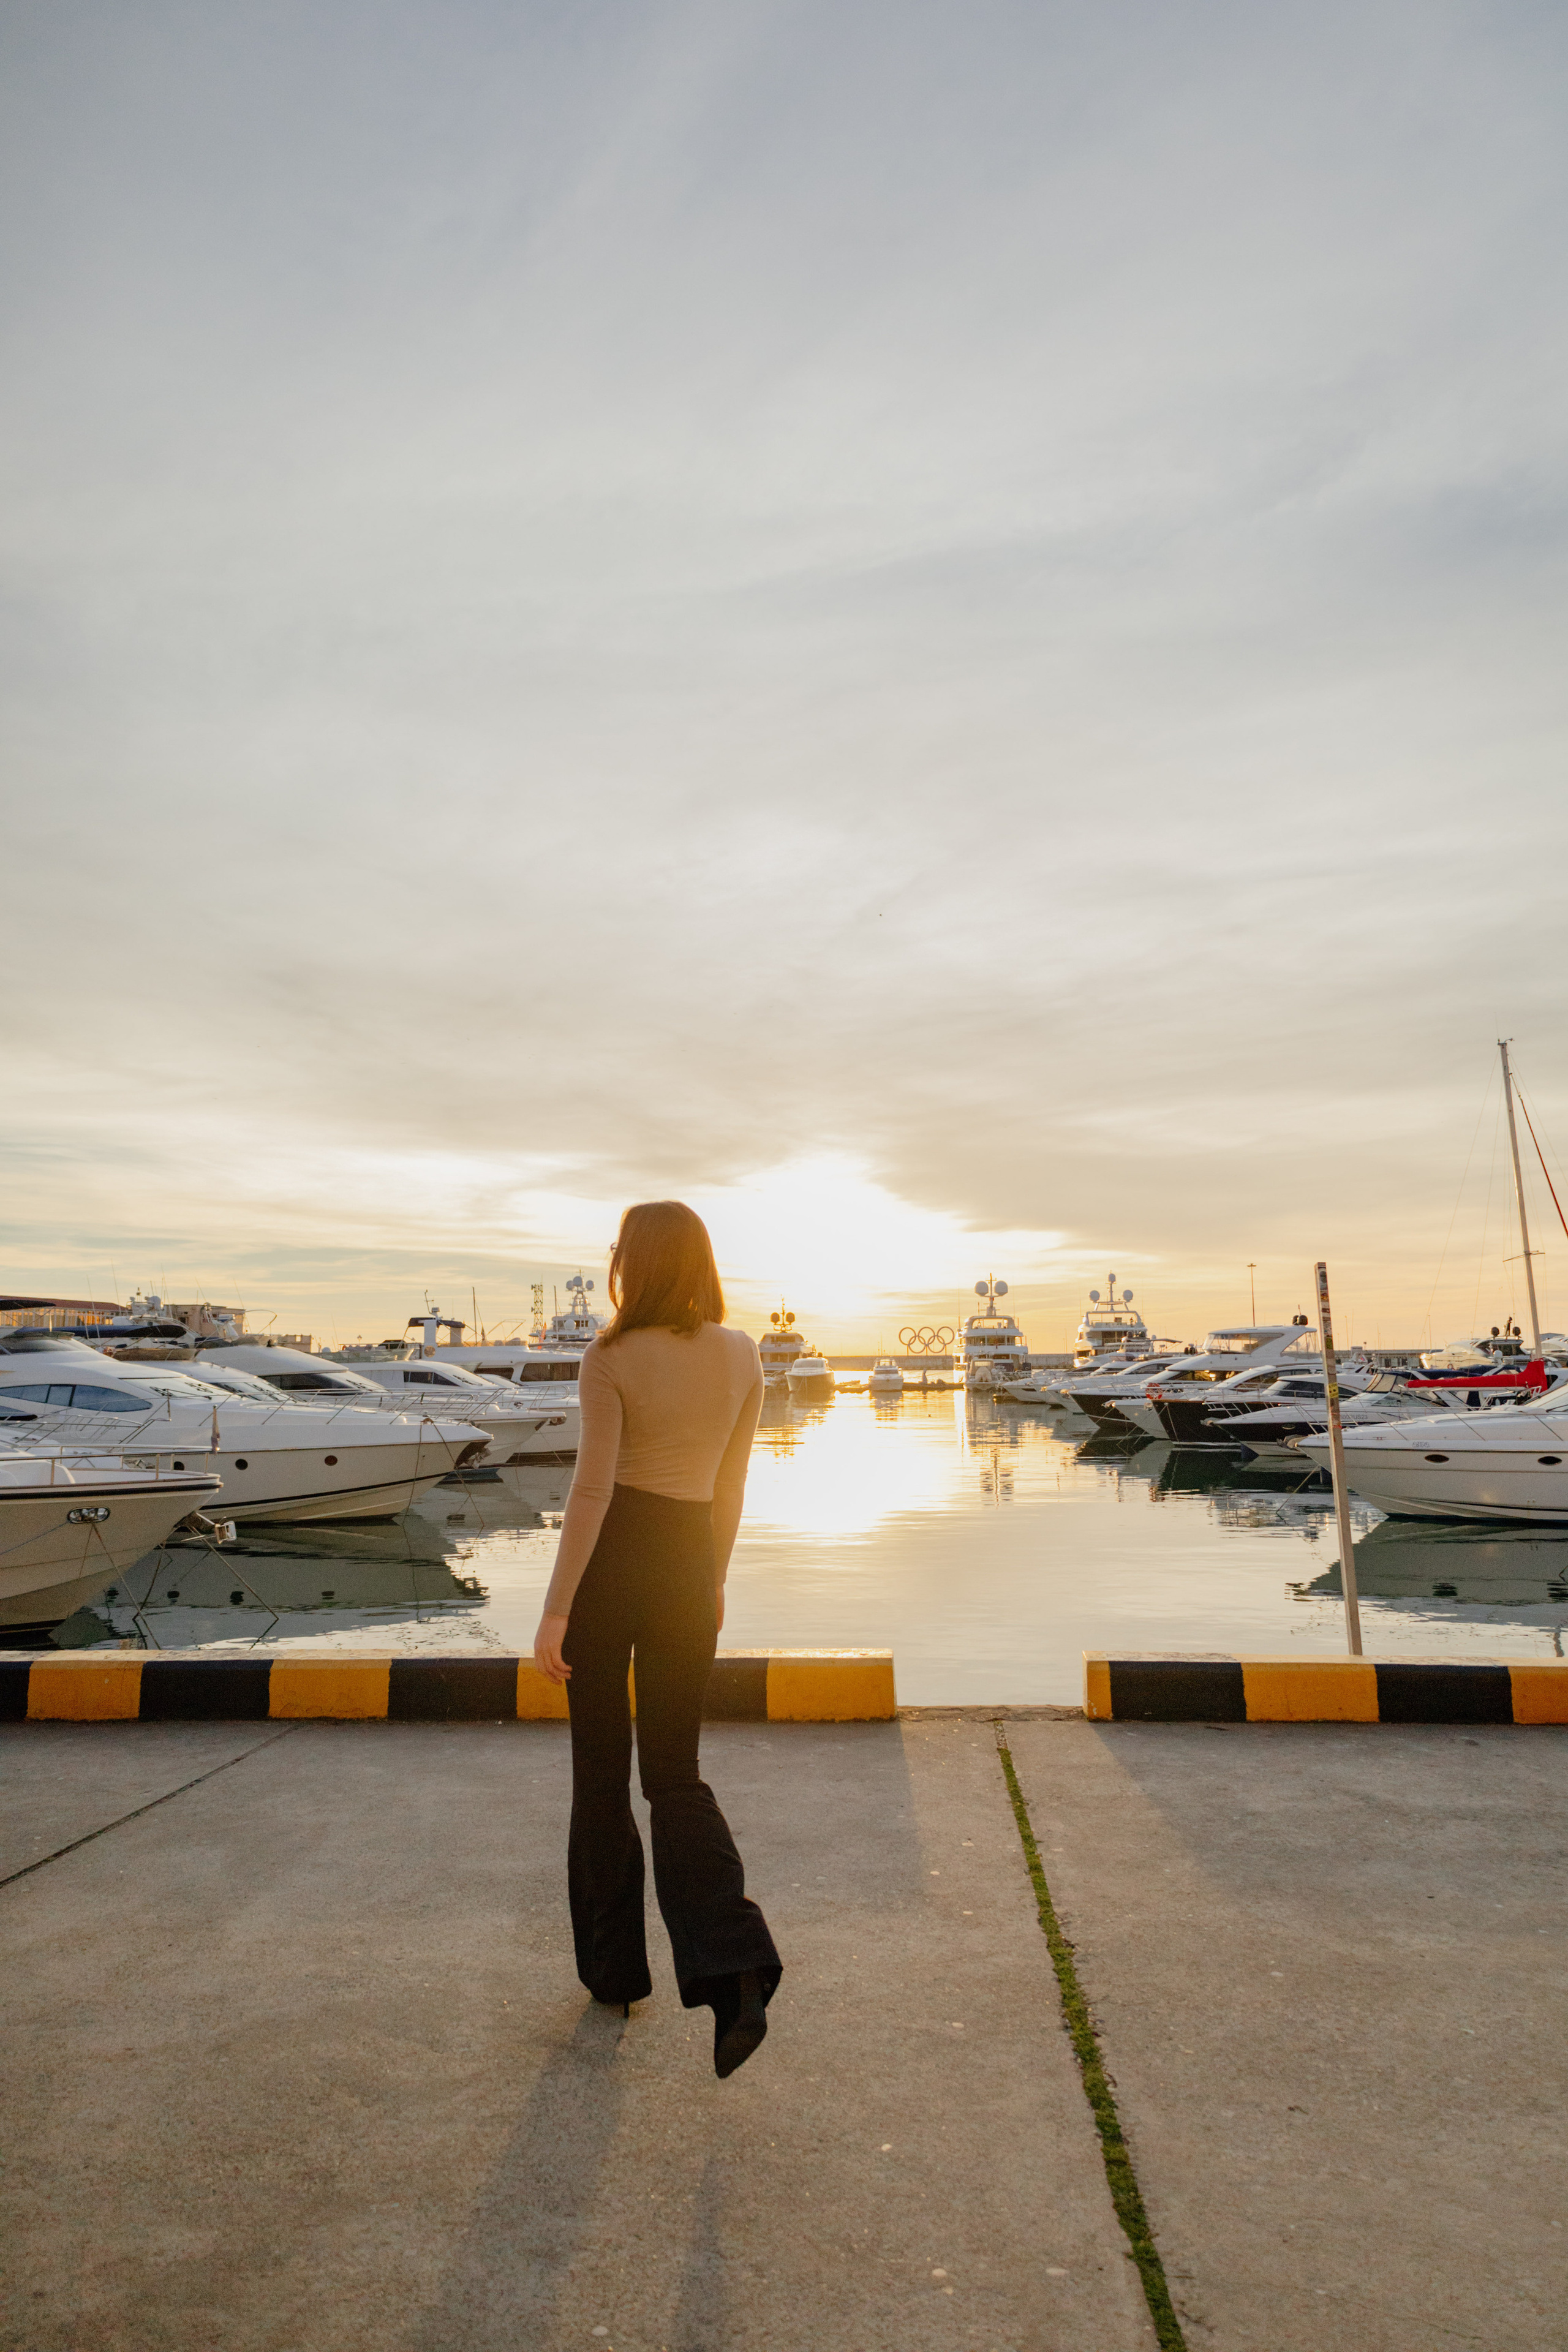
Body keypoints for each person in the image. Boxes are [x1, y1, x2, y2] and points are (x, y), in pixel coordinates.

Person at [533, 1200, 780, 2078]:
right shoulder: (744, 1352)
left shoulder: (610, 1357)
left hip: (610, 1572)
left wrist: (556, 1608)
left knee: (601, 1773)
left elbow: (593, 1493)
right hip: (685, 1565)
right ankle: (735, 1964)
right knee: (675, 1773)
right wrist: (712, 1577)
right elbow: (731, 1485)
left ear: (632, 1263)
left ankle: (614, 1973)